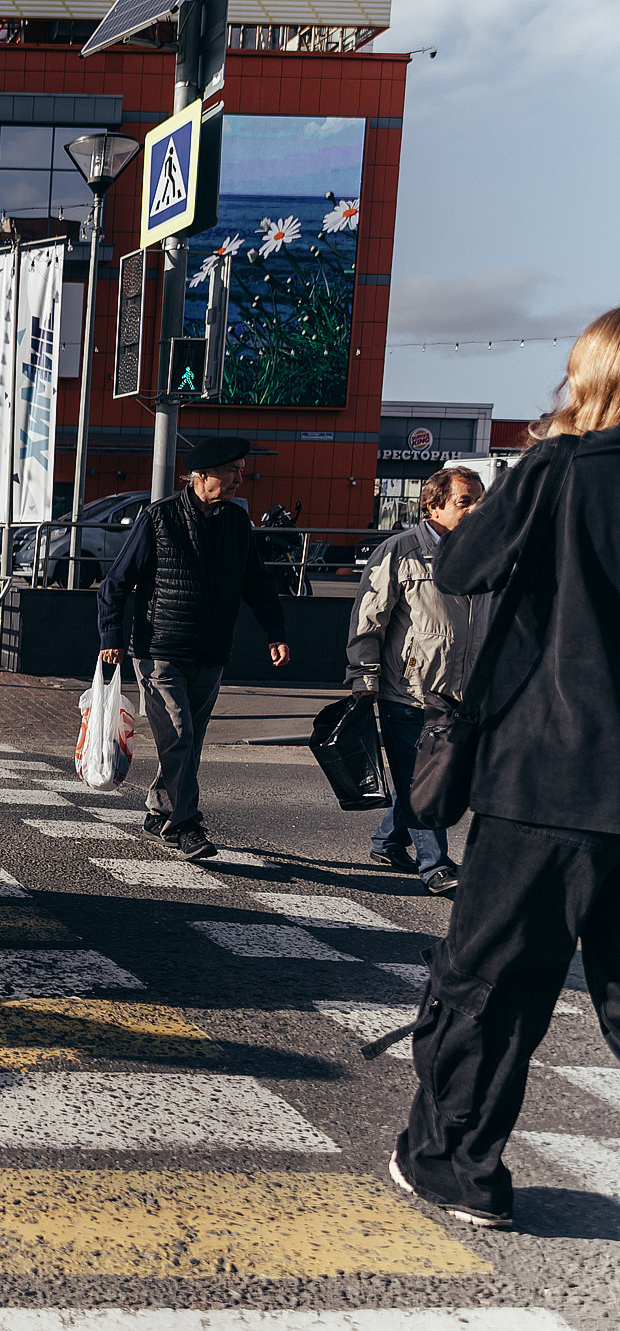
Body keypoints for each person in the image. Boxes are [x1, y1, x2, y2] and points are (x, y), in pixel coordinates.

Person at [385, 307, 620, 1233]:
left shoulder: (563, 472)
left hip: (548, 778)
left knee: (492, 977)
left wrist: (537, 467)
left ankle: (455, 1161)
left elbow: (465, 565)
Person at [96, 436, 291, 862]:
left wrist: (274, 632)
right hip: (160, 650)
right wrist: (110, 638)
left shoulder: (237, 523)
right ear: (202, 474)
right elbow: (115, 585)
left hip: (212, 653)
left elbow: (257, 583)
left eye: (242, 470)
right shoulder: (159, 517)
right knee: (179, 734)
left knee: (188, 741)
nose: (241, 478)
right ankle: (185, 824)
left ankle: (159, 810)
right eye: (232, 470)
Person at [345, 465, 488, 896]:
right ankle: (436, 865)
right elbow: (368, 620)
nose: (476, 509)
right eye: (466, 501)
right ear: (433, 504)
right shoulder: (399, 551)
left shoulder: (483, 553)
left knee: (431, 775)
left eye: (480, 500)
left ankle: (388, 840)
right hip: (408, 690)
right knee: (417, 778)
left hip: (461, 691)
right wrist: (362, 677)